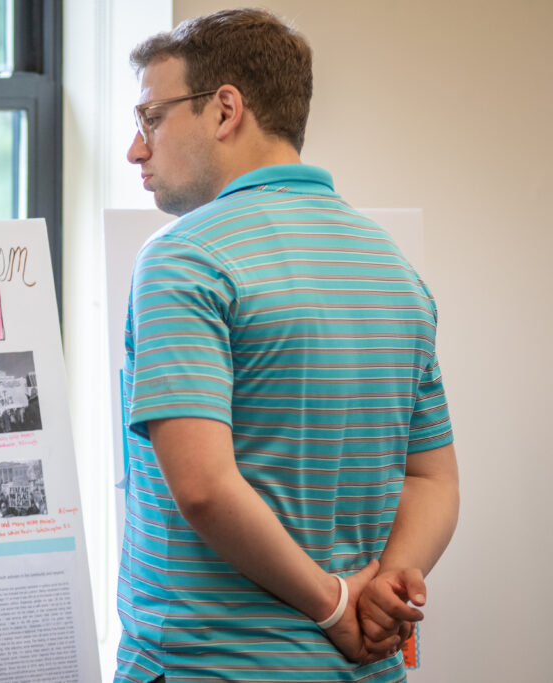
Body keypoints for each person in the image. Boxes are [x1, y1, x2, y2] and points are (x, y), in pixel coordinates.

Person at [117, 9, 459, 682]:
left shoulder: (183, 259)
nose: (136, 148)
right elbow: (434, 478)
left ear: (224, 110)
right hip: (366, 669)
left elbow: (205, 488)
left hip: (211, 665)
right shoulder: (391, 266)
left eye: (152, 118)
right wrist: (384, 591)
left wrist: (337, 607)